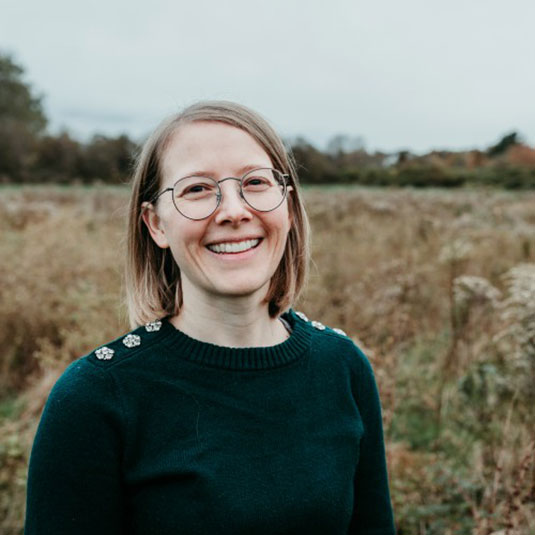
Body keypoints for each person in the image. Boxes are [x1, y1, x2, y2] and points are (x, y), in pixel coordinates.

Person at [24, 101, 396, 534]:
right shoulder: (95, 398)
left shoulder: (343, 366)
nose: (234, 211)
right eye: (197, 189)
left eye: (255, 182)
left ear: (288, 207)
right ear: (155, 224)